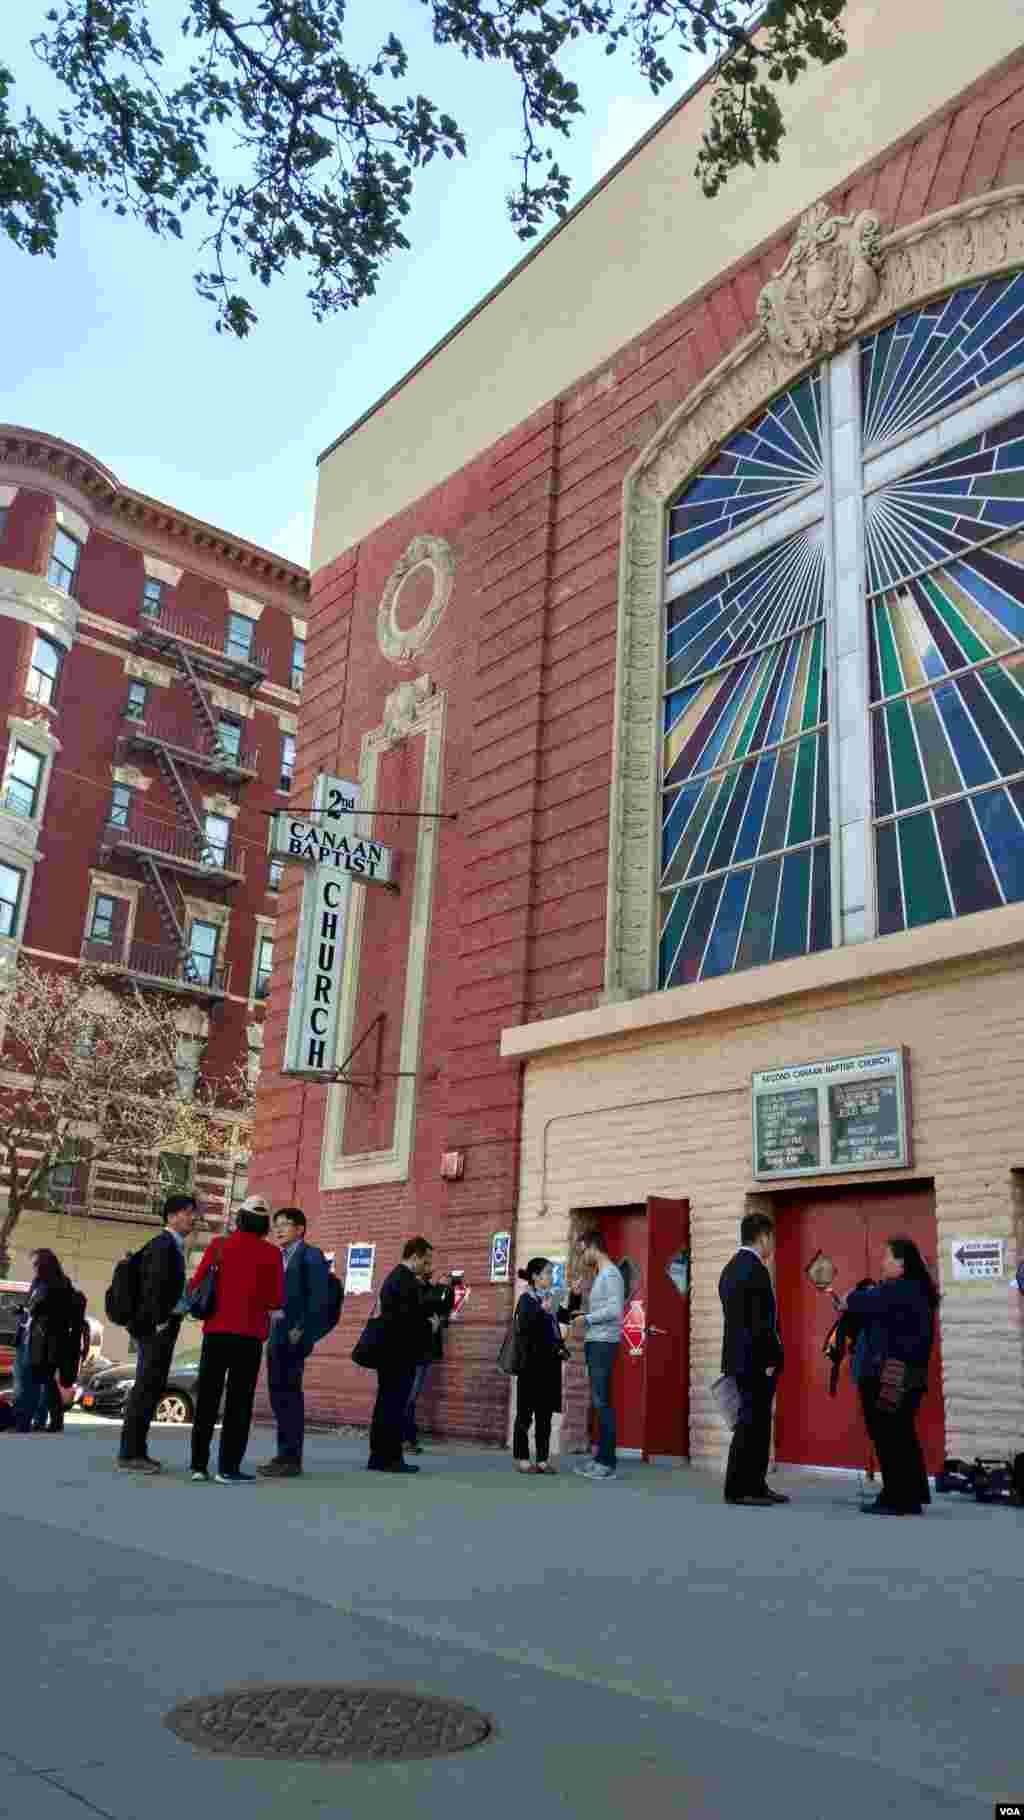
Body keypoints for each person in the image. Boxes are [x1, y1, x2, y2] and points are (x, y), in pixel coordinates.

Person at [840, 1237, 939, 1517]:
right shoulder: (916, 1289)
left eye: (887, 1257)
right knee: (903, 1434)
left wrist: (849, 1299)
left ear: (901, 1263)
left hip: (894, 1374)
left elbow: (861, 1301)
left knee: (889, 1435)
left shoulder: (900, 1289)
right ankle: (910, 1495)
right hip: (910, 1375)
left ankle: (896, 1498)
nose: (883, 1262)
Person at [188, 1195, 284, 1485]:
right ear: (265, 1223)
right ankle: (228, 1468)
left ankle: (198, 1466)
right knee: (239, 1403)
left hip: (216, 1332)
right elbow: (275, 1299)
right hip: (249, 1337)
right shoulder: (272, 1254)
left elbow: (196, 1285)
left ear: (239, 1219)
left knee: (207, 1400)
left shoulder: (218, 1246)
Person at [118, 1193, 199, 1473]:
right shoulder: (164, 1245)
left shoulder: (170, 1245)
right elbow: (153, 1289)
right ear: (173, 1216)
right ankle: (130, 1454)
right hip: (157, 1330)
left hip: (159, 1327)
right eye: (188, 1213)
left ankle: (137, 1451)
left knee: (150, 1387)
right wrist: (159, 1321)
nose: (193, 1218)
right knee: (146, 1388)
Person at [719, 1212, 788, 1507]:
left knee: (755, 1424)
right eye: (771, 1238)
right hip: (757, 1360)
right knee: (752, 1425)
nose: (772, 1245)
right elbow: (762, 1323)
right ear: (763, 1237)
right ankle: (740, 1488)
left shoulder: (729, 1269)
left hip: (737, 1357)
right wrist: (772, 1357)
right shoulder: (756, 1270)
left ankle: (756, 1484)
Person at [257, 1206, 331, 1479]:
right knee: (278, 1394)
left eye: (285, 1224)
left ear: (300, 1229)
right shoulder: (279, 1257)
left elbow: (319, 1298)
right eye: (276, 1225)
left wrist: (303, 1328)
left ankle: (290, 1458)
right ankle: (284, 1454)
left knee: (289, 1395)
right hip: (275, 1333)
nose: (278, 1229)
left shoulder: (310, 1255)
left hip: (293, 1334)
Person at [369, 1237, 434, 1474]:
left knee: (386, 1404)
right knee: (394, 1406)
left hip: (390, 1351)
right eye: (425, 1261)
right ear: (414, 1256)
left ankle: (379, 1456)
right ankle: (391, 1458)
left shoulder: (395, 1277)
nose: (427, 1266)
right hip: (399, 1353)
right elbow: (408, 1319)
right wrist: (429, 1325)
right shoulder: (404, 1280)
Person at [565, 1230, 624, 1483]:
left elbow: (614, 1310)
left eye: (582, 1250)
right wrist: (581, 1308)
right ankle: (600, 1458)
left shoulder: (610, 1273)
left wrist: (586, 1318)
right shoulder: (602, 1274)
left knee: (603, 1403)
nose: (581, 1256)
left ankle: (607, 1462)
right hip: (595, 1342)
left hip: (603, 1344)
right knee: (599, 1401)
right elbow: (602, 1309)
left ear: (592, 1247)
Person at [12, 1250, 79, 1435]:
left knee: (35, 1381)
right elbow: (31, 1307)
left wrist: (31, 1309)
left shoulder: (57, 1283)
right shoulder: (39, 1282)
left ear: (45, 1264)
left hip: (46, 1342)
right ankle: (46, 1420)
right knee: (43, 1381)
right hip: (31, 1338)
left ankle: (28, 1422)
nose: (33, 1268)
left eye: (36, 1264)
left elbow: (48, 1310)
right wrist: (22, 1309)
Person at [512, 1258, 566, 1475]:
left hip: (549, 1364)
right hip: (530, 1365)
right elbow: (523, 1327)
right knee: (525, 1413)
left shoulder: (549, 1299)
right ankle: (522, 1457)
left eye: (552, 1273)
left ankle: (543, 1459)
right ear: (535, 1277)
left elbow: (565, 1316)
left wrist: (577, 1295)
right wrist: (540, 1311)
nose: (550, 1277)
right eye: (547, 1273)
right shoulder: (526, 1300)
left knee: (545, 1414)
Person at [402, 1266, 455, 1455]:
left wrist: (446, 1291)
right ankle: (405, 1439)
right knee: (408, 1396)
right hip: (413, 1350)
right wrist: (441, 1288)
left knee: (410, 1396)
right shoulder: (417, 1291)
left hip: (424, 1352)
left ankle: (407, 1438)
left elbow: (444, 1316)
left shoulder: (431, 1291)